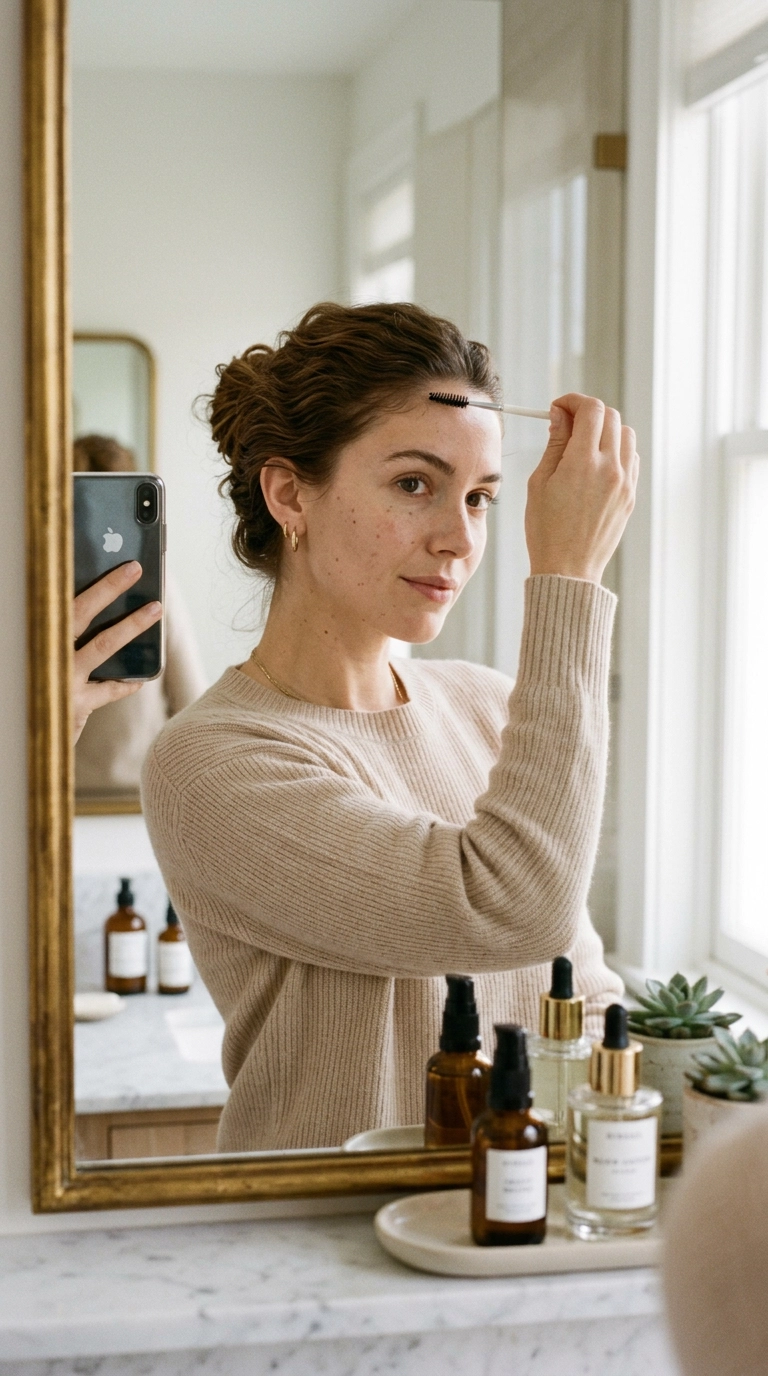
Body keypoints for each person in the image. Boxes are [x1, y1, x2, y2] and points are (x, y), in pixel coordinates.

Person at [141, 301, 638, 1153]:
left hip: (512, 1231)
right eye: (415, 484)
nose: (459, 538)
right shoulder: (210, 763)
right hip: (321, 1244)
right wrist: (569, 579)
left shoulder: (488, 705)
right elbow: (505, 907)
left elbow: (578, 995)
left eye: (480, 498)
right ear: (290, 492)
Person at [73, 434, 207, 796]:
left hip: (118, 801)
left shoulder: (161, 590)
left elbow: (191, 712)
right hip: (136, 798)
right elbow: (191, 705)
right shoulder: (159, 589)